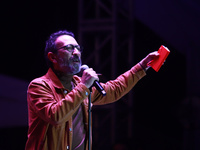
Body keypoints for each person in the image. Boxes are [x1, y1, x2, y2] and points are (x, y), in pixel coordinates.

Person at [25, 30, 159, 150]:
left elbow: (114, 90)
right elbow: (55, 116)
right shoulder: (39, 85)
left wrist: (142, 66)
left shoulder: (79, 84)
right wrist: (83, 87)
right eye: (69, 48)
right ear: (52, 57)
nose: (76, 52)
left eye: (78, 48)